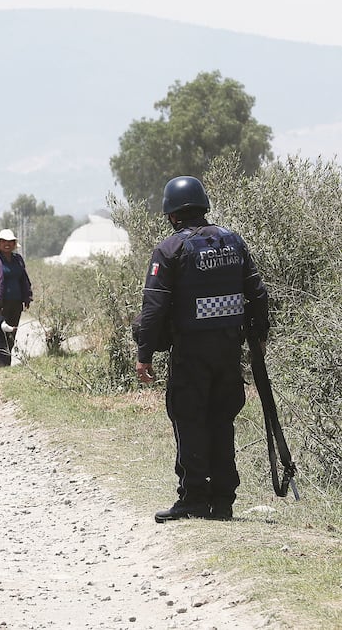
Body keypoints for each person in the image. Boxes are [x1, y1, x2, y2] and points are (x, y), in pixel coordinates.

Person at [135, 176, 269, 523]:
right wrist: (260, 337)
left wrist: (144, 353)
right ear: (203, 206)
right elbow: (256, 292)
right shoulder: (232, 241)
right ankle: (223, 501)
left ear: (172, 214)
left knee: (189, 419)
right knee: (222, 421)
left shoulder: (170, 250)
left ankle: (194, 497)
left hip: (191, 353)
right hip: (228, 350)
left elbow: (154, 308)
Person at [0, 228, 32, 353]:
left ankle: (6, 360)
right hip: (1, 304)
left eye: (10, 242)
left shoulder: (18, 259)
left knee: (12, 333)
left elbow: (24, 279)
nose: (7, 244)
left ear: (14, 244)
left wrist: (27, 296)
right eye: (4, 241)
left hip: (16, 303)